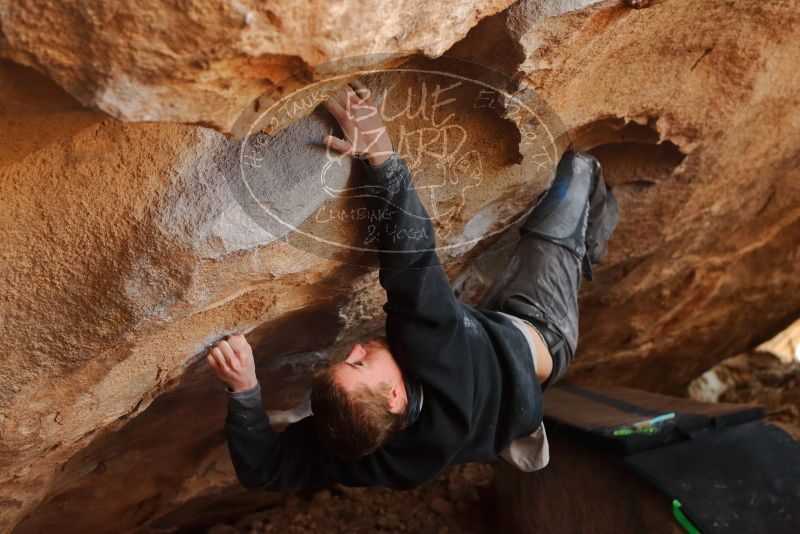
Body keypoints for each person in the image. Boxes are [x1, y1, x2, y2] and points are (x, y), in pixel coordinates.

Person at [207, 81, 618, 491]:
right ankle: (591, 244)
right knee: (576, 170)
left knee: (466, 323)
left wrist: (244, 390)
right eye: (357, 363)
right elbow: (411, 260)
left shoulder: (367, 456)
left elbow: (263, 469)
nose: (355, 348)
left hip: (485, 375)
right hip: (540, 331)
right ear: (394, 398)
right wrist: (380, 154)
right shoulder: (434, 350)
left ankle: (509, 416)